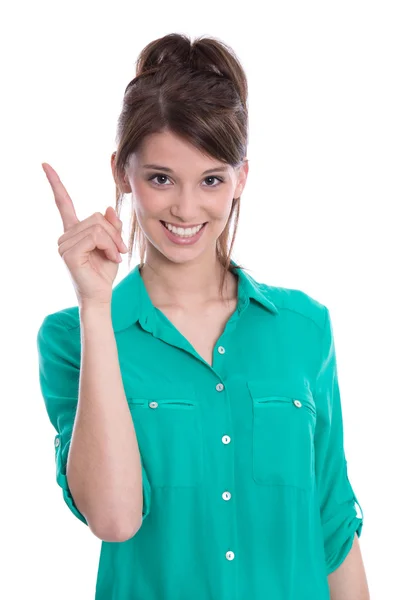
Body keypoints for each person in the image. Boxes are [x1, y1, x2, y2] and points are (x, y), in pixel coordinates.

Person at [36, 33, 369, 600]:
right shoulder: (75, 338)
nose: (186, 209)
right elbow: (115, 520)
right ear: (123, 173)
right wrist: (95, 304)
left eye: (211, 179)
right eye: (161, 178)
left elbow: (332, 527)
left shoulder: (304, 328)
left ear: (242, 177)